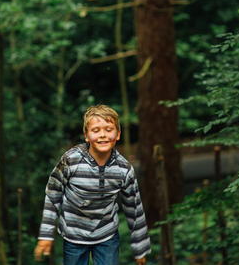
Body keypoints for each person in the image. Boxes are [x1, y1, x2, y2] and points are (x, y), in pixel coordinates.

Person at [34, 105, 151, 265]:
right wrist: (46, 235)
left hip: (107, 233)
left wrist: (140, 249)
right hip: (74, 234)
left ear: (118, 134)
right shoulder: (71, 161)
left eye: (109, 129)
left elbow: (134, 208)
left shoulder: (124, 169)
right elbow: (53, 194)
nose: (102, 135)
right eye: (96, 130)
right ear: (86, 135)